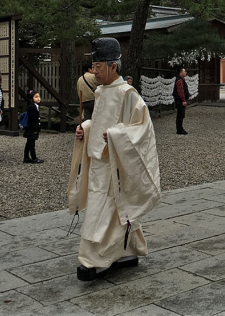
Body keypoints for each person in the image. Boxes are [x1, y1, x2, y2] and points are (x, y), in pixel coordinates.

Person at [69, 37, 161, 281]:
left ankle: (93, 260)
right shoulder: (101, 92)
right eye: (94, 66)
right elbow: (99, 122)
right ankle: (127, 252)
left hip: (115, 160)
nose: (94, 71)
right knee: (116, 207)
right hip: (100, 157)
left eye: (99, 66)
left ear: (113, 67)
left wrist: (116, 136)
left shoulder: (127, 93)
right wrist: (86, 130)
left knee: (105, 207)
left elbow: (142, 127)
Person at [23, 90, 44, 164]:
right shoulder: (32, 107)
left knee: (29, 142)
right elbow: (33, 120)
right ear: (32, 98)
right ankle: (33, 158)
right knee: (31, 143)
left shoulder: (34, 106)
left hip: (32, 127)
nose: (38, 98)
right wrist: (35, 129)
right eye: (36, 97)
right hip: (32, 128)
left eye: (39, 97)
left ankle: (26, 157)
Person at [173, 66, 190, 135]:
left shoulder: (181, 80)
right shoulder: (179, 81)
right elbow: (180, 91)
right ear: (180, 73)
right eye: (184, 71)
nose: (185, 72)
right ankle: (179, 129)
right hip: (180, 100)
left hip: (180, 100)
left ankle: (180, 128)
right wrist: (183, 100)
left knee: (181, 114)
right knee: (180, 114)